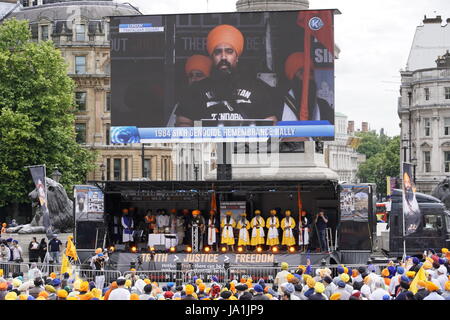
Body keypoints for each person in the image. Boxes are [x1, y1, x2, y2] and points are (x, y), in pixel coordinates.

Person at [175, 24, 279, 126]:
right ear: (212, 57)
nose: (223, 57)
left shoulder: (257, 88)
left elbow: (271, 129)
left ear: (237, 57)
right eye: (218, 52)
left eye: (229, 52)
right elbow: (183, 128)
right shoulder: (195, 91)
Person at [281, 52, 334, 122]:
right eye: (302, 73)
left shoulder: (323, 106)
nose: (308, 77)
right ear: (292, 77)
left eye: (310, 73)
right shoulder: (279, 104)